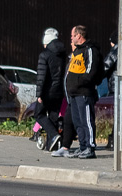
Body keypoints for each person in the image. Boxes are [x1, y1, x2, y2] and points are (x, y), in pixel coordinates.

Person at [62, 24, 102, 158]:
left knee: (87, 121)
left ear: (79, 36)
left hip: (83, 92)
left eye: (73, 35)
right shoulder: (77, 51)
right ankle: (83, 146)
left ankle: (90, 147)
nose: (71, 38)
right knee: (78, 121)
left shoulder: (90, 50)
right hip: (73, 93)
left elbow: (91, 71)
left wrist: (79, 83)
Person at [35, 27, 67, 152]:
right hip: (59, 91)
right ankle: (51, 145)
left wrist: (39, 94)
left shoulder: (44, 55)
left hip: (47, 91)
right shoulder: (62, 54)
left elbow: (41, 76)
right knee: (53, 116)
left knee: (39, 114)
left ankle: (54, 135)